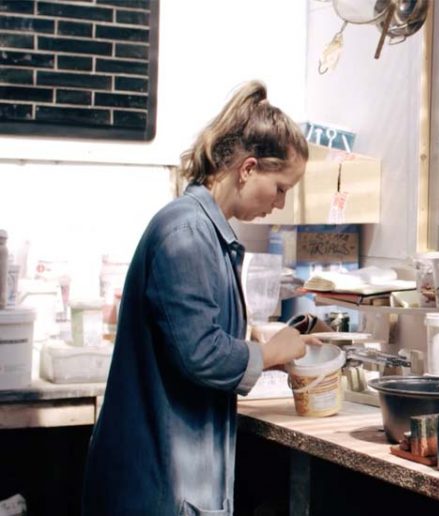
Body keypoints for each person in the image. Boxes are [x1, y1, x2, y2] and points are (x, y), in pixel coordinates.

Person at [82, 80, 319, 515]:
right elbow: (200, 353)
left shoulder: (204, 231)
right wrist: (265, 353)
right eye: (281, 187)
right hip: (154, 486)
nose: (281, 204)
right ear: (247, 169)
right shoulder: (188, 234)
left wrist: (265, 343)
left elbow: (195, 330)